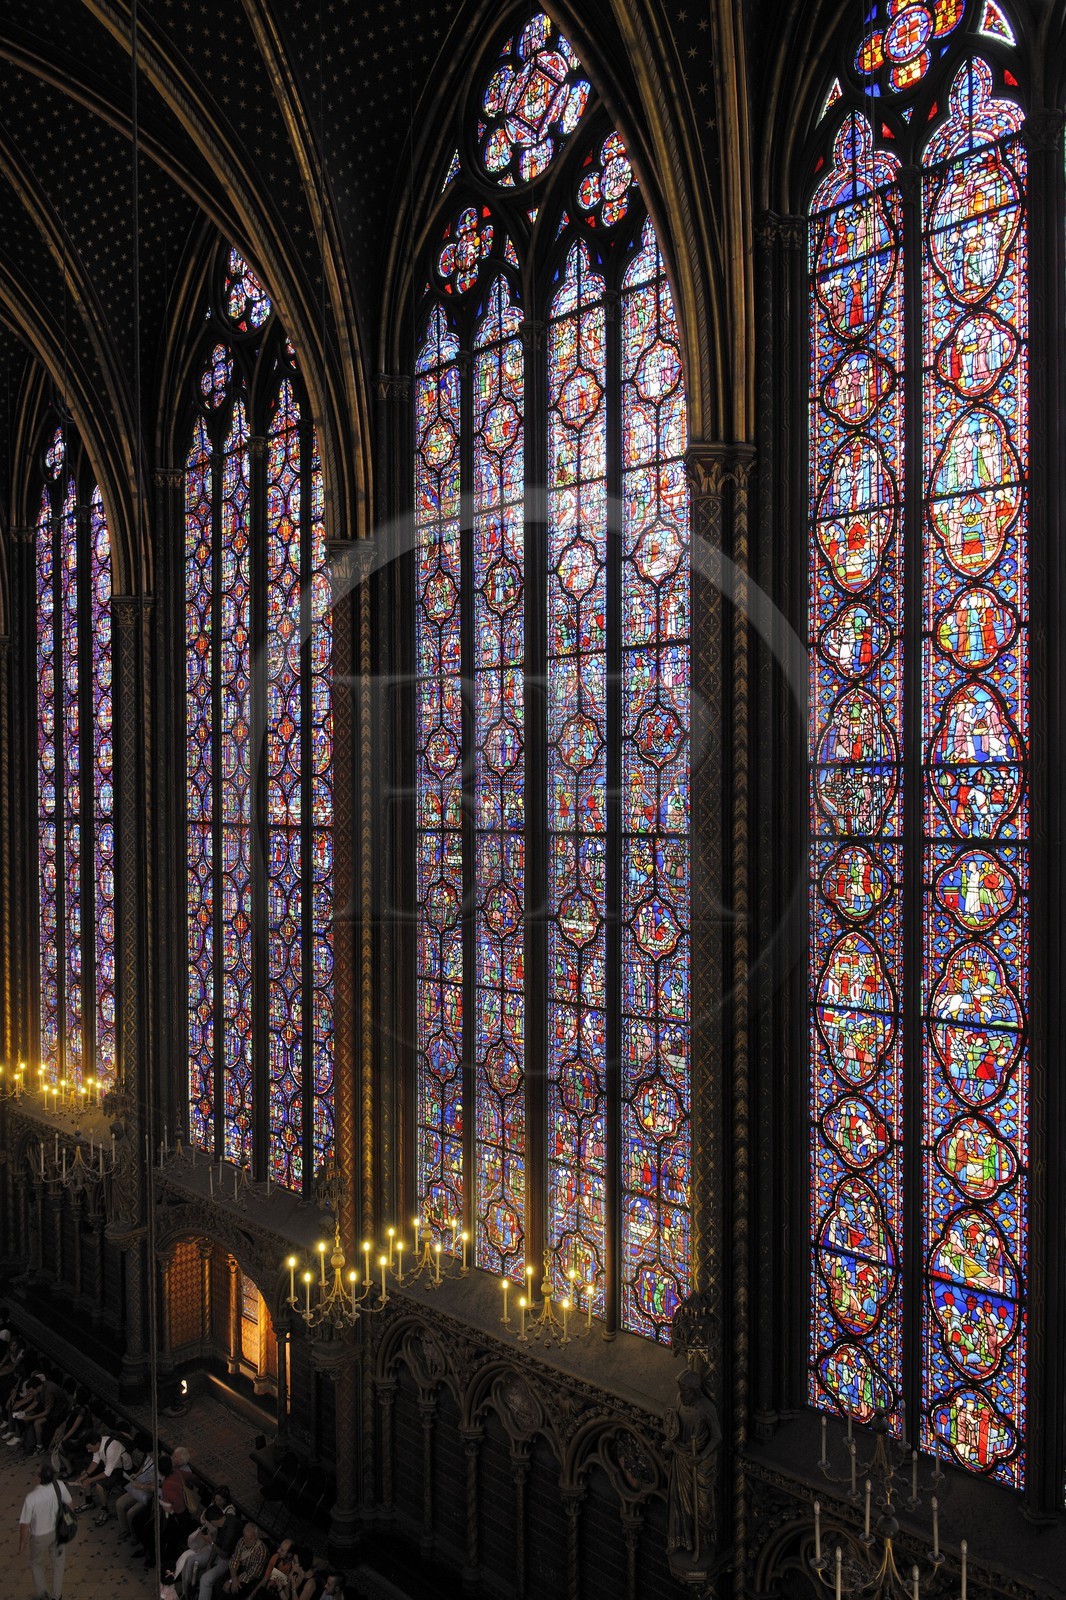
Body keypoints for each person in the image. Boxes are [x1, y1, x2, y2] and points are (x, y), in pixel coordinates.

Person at [18, 1459, 72, 1600]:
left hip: (39, 1537)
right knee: (58, 1563)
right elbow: (70, 1506)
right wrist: (69, 1527)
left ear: (39, 1478)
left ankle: (43, 1594)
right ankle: (57, 1595)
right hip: (58, 1532)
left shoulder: (32, 1498)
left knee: (36, 1563)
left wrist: (22, 1543)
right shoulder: (59, 1485)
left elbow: (25, 1523)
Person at [74, 1429, 127, 1516]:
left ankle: (104, 1510)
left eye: (90, 1448)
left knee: (99, 1486)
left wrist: (90, 1480)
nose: (88, 1451)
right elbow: (95, 1461)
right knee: (84, 1474)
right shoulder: (98, 1444)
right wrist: (86, 1475)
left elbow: (107, 1473)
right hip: (108, 1464)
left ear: (97, 1444)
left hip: (119, 1469)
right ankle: (89, 1501)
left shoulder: (111, 1448)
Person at [218, 1523, 268, 1599]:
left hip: (250, 1579)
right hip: (238, 1571)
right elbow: (234, 1560)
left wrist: (231, 1581)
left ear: (256, 1537)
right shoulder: (241, 1541)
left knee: (234, 1590)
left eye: (250, 1538)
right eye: (245, 1537)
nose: (246, 1541)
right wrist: (233, 1579)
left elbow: (251, 1574)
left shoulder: (261, 1551)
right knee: (223, 1587)